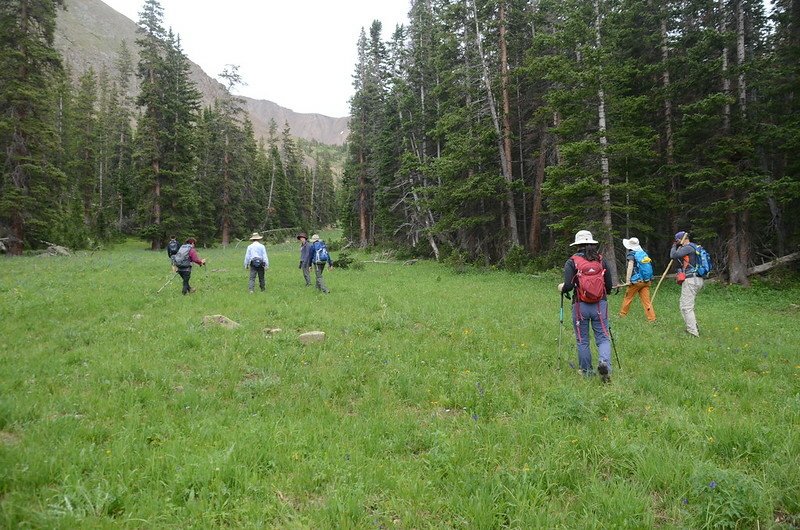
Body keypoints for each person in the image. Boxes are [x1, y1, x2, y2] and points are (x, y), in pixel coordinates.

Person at [559, 230, 614, 382]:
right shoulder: (601, 260)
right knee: (603, 338)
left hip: (580, 306)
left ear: (577, 245)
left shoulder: (572, 261)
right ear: (591, 243)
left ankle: (587, 372)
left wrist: (561, 288)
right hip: (600, 305)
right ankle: (604, 365)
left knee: (583, 340)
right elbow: (608, 285)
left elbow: (569, 286)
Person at [670, 230, 704, 337]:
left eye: (677, 240)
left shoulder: (688, 247)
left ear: (681, 240)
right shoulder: (694, 247)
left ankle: (693, 332)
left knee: (686, 307)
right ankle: (692, 326)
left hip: (691, 280)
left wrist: (674, 246)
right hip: (696, 279)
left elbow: (673, 255)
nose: (677, 242)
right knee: (683, 305)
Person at [618, 237, 656, 322]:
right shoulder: (643, 253)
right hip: (646, 281)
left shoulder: (632, 254)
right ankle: (652, 318)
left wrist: (628, 280)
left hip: (636, 282)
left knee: (628, 297)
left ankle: (622, 315)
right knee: (646, 301)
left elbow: (630, 267)